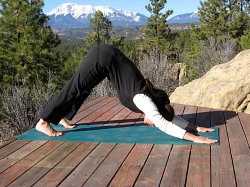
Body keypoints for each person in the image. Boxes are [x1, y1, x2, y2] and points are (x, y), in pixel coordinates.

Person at [36, 44, 217, 144]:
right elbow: (164, 124)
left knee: (83, 88)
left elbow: (166, 117)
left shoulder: (154, 102)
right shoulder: (144, 100)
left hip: (107, 59)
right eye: (152, 123)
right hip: (102, 57)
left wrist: (193, 126)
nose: (151, 124)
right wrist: (195, 138)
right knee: (74, 88)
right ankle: (43, 122)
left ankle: (60, 116)